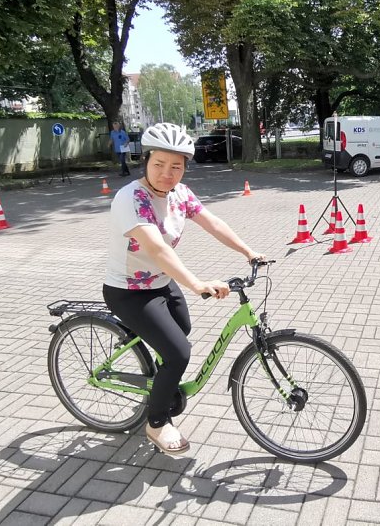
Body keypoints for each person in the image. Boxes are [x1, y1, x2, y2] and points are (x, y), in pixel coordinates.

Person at [102, 122, 265, 454]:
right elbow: (158, 249)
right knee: (179, 353)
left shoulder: (180, 194)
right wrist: (197, 284)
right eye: (159, 164)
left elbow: (212, 222)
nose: (167, 173)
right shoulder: (130, 198)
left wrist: (248, 250)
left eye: (176, 166)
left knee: (182, 331)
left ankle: (160, 383)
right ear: (144, 161)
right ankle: (156, 424)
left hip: (161, 282)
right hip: (128, 290)